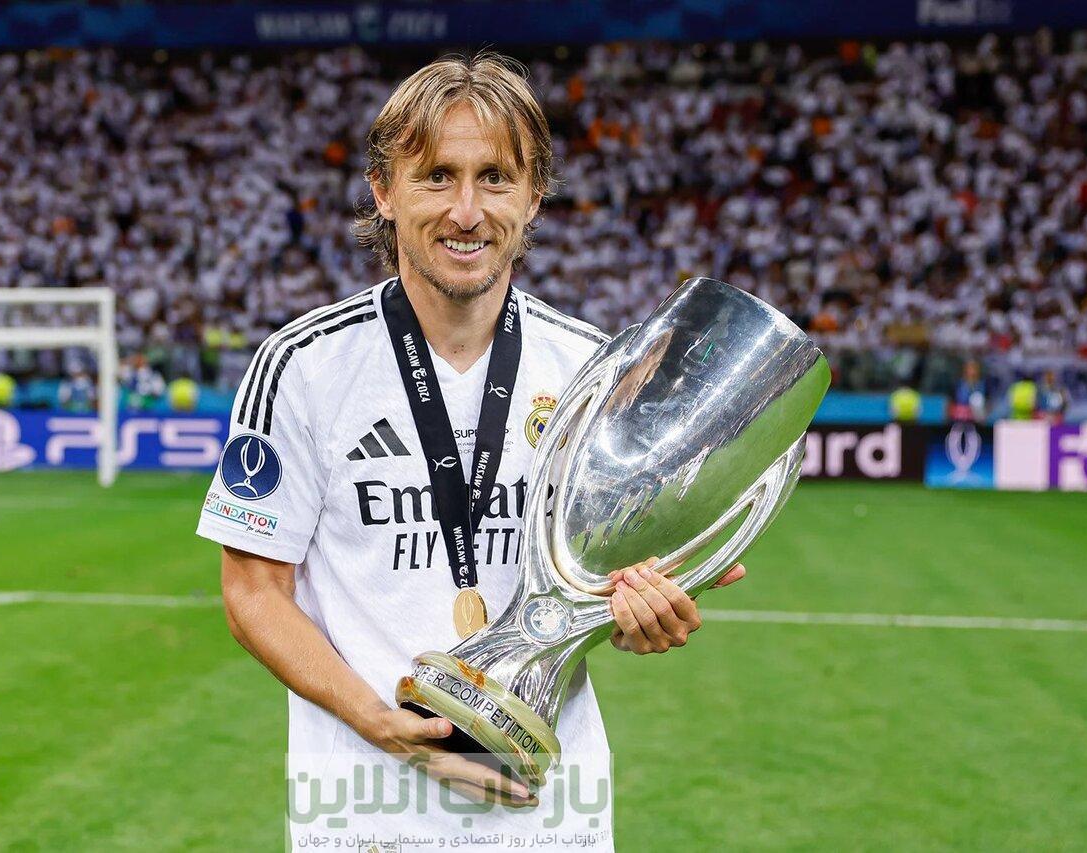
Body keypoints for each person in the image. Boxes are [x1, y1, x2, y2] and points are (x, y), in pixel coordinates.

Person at [196, 53, 744, 850]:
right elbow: (252, 591)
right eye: (436, 177)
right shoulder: (303, 365)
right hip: (363, 814)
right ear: (384, 191)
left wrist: (638, 615)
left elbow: (604, 590)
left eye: (494, 178)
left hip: (550, 817)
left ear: (533, 196)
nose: (466, 210)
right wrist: (378, 721)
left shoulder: (593, 370)